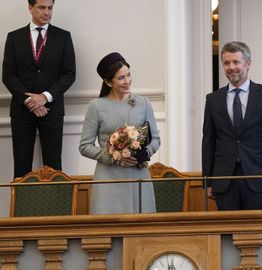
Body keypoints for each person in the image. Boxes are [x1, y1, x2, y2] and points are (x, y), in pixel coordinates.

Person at [202, 41, 262, 210]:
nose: (231, 67)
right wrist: (208, 181)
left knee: (259, 233)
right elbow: (208, 143)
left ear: (248, 64)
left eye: (236, 62)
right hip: (224, 180)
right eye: (226, 63)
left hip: (259, 178)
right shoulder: (213, 99)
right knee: (227, 233)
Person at [79, 52, 160, 214]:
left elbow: (155, 139)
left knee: (140, 231)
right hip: (109, 178)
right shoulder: (96, 106)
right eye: (121, 78)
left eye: (128, 75)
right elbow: (85, 146)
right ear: (108, 82)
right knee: (107, 230)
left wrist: (144, 153)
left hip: (138, 175)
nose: (127, 81)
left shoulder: (143, 103)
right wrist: (113, 156)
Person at [2, 0, 76, 178]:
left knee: (53, 168)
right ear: (30, 8)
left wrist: (44, 97)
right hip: (22, 111)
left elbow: (69, 74)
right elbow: (8, 75)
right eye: (41, 7)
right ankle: (22, 206)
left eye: (50, 8)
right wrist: (29, 101)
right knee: (21, 168)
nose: (47, 12)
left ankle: (56, 206)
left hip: (52, 109)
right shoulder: (14, 37)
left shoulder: (63, 37)